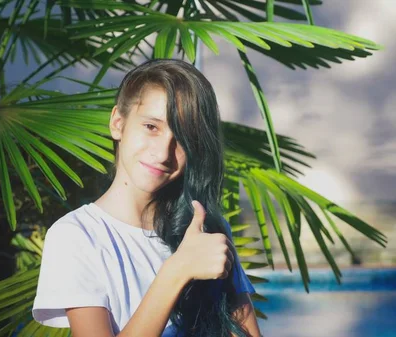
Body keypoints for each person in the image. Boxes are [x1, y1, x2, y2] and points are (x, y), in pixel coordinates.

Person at [32, 59, 261, 337]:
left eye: (184, 139)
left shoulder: (205, 230)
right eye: (152, 127)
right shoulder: (77, 236)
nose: (164, 152)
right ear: (118, 123)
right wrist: (177, 271)